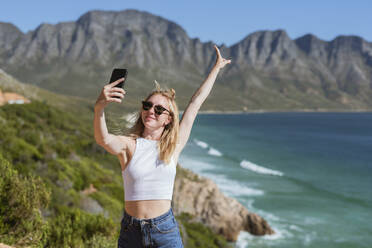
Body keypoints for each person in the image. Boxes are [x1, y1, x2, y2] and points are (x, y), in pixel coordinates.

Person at [94, 44, 231, 247]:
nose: (151, 111)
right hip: (131, 232)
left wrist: (216, 69)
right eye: (147, 106)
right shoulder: (129, 145)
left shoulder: (173, 146)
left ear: (168, 119)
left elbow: (195, 104)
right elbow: (103, 139)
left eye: (159, 109)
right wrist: (99, 107)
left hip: (164, 231)